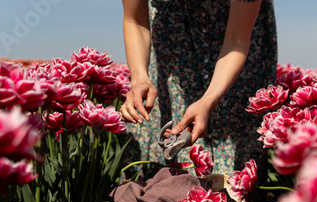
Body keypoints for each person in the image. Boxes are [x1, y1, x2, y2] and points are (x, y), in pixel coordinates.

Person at [119, 0, 277, 179]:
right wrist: (140, 78)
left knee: (232, 177)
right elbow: (135, 21)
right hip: (172, 47)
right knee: (170, 170)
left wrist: (208, 100)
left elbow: (237, 40)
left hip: (235, 49)